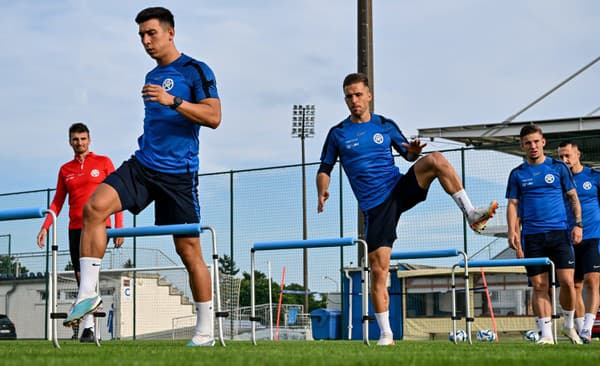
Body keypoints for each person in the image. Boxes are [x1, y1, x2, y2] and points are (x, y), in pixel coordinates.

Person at [62, 7, 222, 347]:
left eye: (151, 33)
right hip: (143, 165)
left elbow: (214, 116)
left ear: (170, 32)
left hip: (179, 174)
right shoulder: (150, 76)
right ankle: (87, 293)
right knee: (94, 208)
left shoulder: (196, 70)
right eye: (141, 36)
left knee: (188, 250)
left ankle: (205, 330)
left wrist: (173, 99)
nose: (146, 41)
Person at [316, 72, 498, 346]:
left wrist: (413, 151)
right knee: (379, 270)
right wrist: (322, 190)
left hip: (399, 188)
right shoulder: (338, 133)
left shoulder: (384, 125)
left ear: (368, 95)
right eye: (349, 96)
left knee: (435, 159)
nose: (354, 100)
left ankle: (471, 213)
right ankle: (386, 334)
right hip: (376, 207)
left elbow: (408, 154)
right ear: (345, 99)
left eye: (358, 94)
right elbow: (325, 167)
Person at [36, 122, 124, 342]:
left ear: (89, 139)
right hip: (75, 228)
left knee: (89, 276)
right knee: (80, 277)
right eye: (75, 139)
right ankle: (88, 327)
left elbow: (117, 196)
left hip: (99, 226)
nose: (80, 143)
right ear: (70, 142)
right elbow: (57, 202)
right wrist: (46, 225)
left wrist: (119, 227)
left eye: (83, 138)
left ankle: (88, 328)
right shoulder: (65, 170)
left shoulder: (103, 163)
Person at [506, 124, 582, 344]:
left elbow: (573, 198)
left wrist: (578, 224)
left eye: (536, 141)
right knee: (540, 286)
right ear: (522, 146)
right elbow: (512, 204)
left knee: (567, 282)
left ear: (543, 142)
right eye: (528, 143)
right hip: (532, 236)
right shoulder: (517, 174)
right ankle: (546, 335)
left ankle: (569, 325)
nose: (533, 146)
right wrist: (513, 232)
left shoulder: (558, 168)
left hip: (559, 233)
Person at [557, 141, 600, 343]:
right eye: (561, 157)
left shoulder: (594, 177)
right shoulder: (559, 180)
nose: (565, 160)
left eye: (568, 155)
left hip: (593, 237)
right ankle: (582, 329)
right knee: (574, 286)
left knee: (593, 281)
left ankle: (588, 328)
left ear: (578, 153)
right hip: (569, 239)